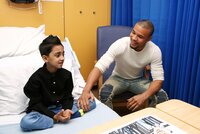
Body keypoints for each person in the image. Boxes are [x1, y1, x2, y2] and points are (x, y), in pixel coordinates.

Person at [78, 19, 168, 112]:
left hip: (138, 80)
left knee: (162, 96)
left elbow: (158, 80)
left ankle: (150, 120)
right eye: (133, 32)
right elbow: (99, 67)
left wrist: (143, 96)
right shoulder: (120, 44)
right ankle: (110, 121)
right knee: (104, 93)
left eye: (140, 37)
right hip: (117, 78)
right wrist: (86, 91)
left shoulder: (154, 51)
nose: (134, 38)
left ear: (148, 39)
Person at [20, 35, 96, 131]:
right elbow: (36, 104)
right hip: (43, 110)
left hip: (60, 107)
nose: (62, 58)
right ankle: (56, 119)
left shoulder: (66, 75)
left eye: (63, 54)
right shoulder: (36, 79)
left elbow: (68, 97)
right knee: (26, 122)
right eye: (57, 55)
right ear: (45, 58)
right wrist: (54, 116)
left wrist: (67, 109)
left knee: (92, 103)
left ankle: (64, 116)